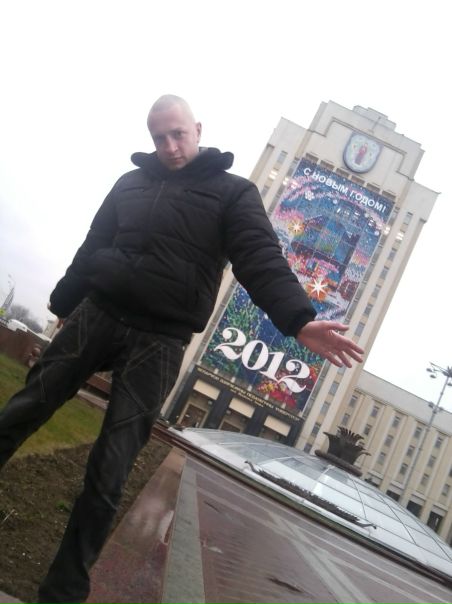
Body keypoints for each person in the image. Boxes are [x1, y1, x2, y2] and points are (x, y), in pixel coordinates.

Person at [0, 94, 364, 604]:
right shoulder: (130, 183)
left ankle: (62, 591)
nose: (170, 146)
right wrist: (64, 301)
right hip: (98, 314)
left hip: (161, 341)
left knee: (111, 467)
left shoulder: (233, 193)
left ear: (198, 130)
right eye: (159, 138)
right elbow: (93, 245)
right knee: (25, 407)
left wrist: (298, 319)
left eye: (178, 134)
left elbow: (260, 258)